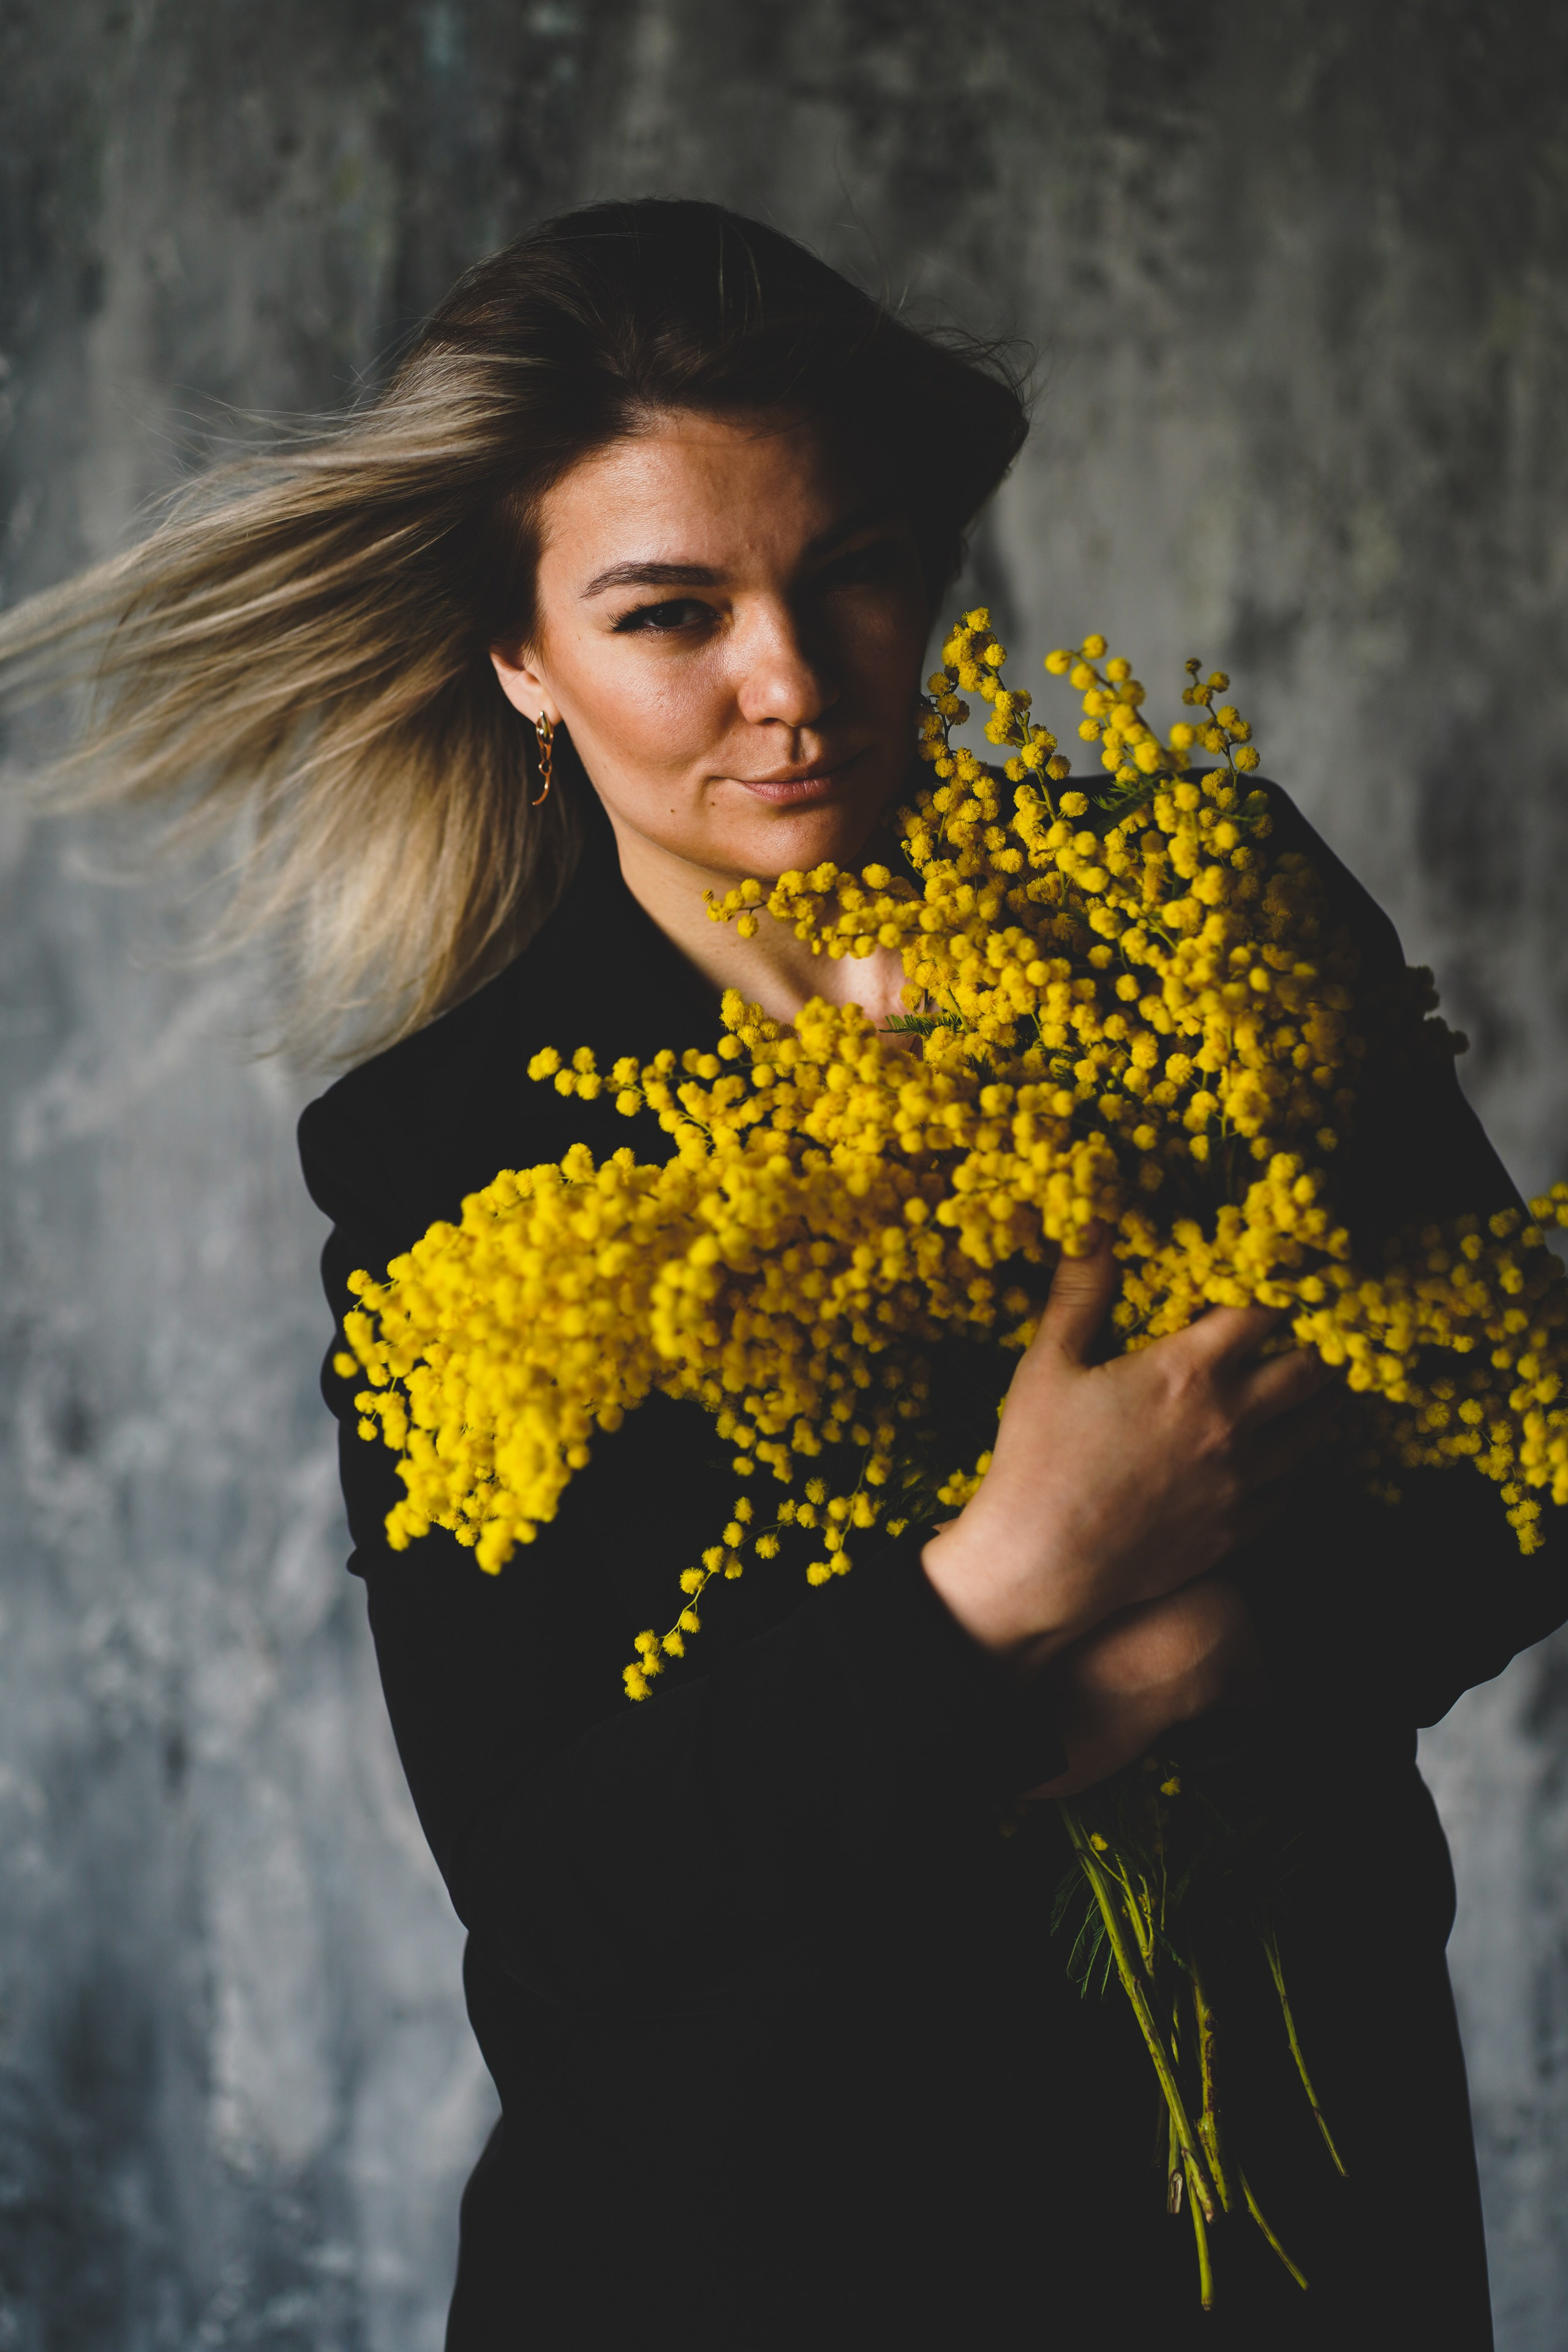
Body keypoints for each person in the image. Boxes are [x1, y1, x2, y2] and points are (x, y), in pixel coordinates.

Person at [4, 198, 1562, 2350]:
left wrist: (1246, 1655)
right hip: (755, 2255)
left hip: (1294, 2228)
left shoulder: (1204, 906)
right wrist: (1012, 1597)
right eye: (671, 613)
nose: (795, 681)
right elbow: (561, 1892)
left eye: (852, 567)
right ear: (523, 657)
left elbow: (1529, 1458)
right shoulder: (448, 1159)